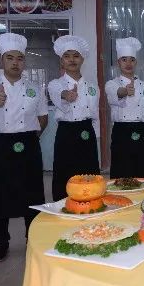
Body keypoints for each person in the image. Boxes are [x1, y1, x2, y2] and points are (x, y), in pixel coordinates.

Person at [0, 33, 48, 262]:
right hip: (0, 144)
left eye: (20, 58)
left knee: (33, 192)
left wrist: (31, 137)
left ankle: (32, 238)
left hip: (29, 143)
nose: (15, 62)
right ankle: (1, 241)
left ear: (24, 61)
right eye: (10, 58)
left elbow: (43, 117)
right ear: (2, 60)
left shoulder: (35, 88)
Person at [48, 35, 100, 201]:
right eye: (67, 56)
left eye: (76, 56)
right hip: (66, 132)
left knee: (89, 174)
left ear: (82, 59)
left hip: (87, 131)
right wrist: (66, 95)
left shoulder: (92, 87)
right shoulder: (55, 84)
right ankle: (63, 206)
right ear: (61, 61)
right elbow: (59, 93)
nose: (72, 60)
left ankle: (91, 205)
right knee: (65, 173)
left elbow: (94, 115)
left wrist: (94, 135)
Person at [105, 37, 144, 178]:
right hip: (121, 132)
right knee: (121, 172)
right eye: (124, 59)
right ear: (118, 62)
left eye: (132, 60)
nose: (128, 63)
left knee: (142, 172)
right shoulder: (112, 84)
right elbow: (116, 94)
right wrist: (125, 91)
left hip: (141, 130)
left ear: (136, 62)